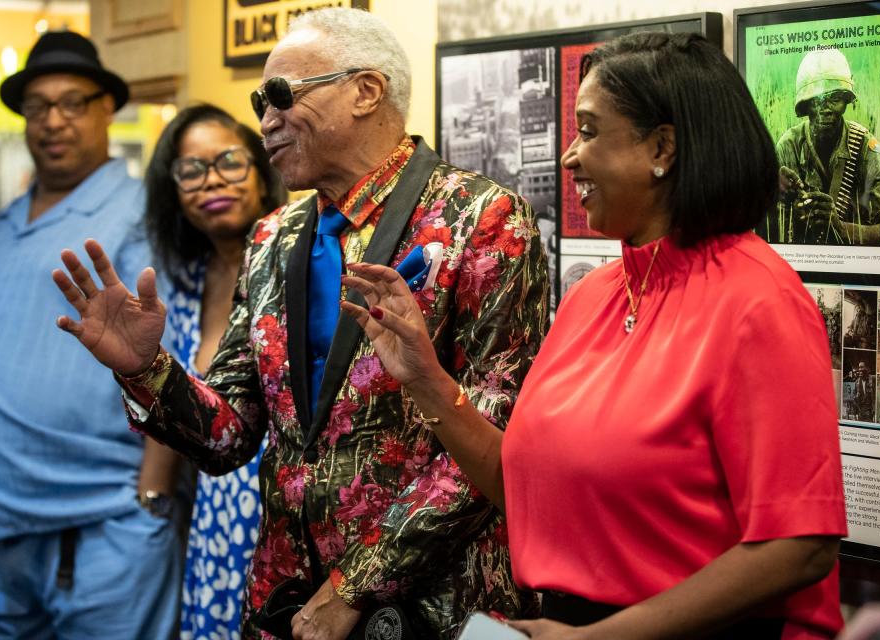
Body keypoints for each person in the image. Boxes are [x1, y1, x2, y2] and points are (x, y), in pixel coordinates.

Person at [51, 7, 548, 640]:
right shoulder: (272, 236)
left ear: (367, 91)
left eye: (282, 96)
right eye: (261, 101)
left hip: (432, 606)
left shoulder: (485, 219)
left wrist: (353, 586)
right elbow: (227, 437)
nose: (265, 121)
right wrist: (146, 370)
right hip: (286, 604)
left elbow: (492, 445)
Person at [341, 32, 847, 639]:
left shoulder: (760, 300)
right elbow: (525, 488)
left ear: (663, 146)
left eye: (588, 130)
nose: (568, 157)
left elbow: (799, 547)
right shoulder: (593, 296)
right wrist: (427, 381)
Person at [0, 31, 181, 638]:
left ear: (106, 108)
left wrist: (151, 499)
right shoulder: (8, 217)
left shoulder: (139, 210)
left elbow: (174, 355)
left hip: (95, 525)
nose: (53, 120)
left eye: (73, 102)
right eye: (39, 106)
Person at [142, 103, 285, 640]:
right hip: (211, 515)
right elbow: (172, 398)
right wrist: (151, 504)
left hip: (283, 516)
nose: (212, 182)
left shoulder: (303, 257)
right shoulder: (185, 282)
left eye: (229, 161)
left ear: (263, 165)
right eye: (191, 171)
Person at [761, 47, 880, 246]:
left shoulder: (867, 150)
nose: (825, 110)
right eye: (816, 101)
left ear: (846, 101)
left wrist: (840, 227)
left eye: (835, 99)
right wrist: (784, 207)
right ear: (805, 106)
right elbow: (765, 231)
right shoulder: (789, 146)